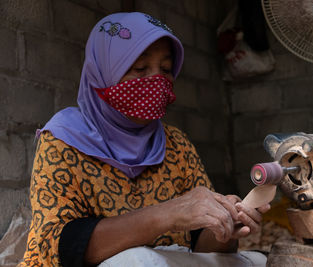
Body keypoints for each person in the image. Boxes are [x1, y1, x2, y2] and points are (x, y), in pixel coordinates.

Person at [19, 12, 270, 267]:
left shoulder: (175, 144)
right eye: (140, 68)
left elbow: (201, 246)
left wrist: (224, 227)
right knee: (138, 261)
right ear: (103, 72)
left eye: (166, 69)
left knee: (258, 261)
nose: (156, 81)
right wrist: (169, 214)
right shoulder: (63, 141)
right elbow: (55, 246)